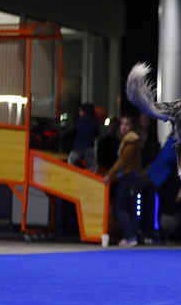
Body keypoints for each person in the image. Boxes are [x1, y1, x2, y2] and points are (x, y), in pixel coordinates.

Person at [102, 115, 142, 247]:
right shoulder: (131, 140)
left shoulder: (130, 140)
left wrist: (110, 174)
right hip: (132, 176)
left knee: (120, 208)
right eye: (122, 124)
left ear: (132, 127)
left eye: (127, 125)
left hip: (128, 177)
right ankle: (132, 235)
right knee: (131, 208)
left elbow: (122, 161)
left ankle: (130, 235)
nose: (123, 127)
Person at [136, 113, 161, 245]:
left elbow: (156, 154)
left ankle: (148, 230)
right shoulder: (135, 136)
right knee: (135, 203)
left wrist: (148, 169)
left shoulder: (152, 137)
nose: (144, 121)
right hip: (135, 172)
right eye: (142, 119)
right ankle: (137, 230)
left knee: (149, 203)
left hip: (149, 174)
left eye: (146, 119)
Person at [67, 102, 100, 172]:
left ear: (82, 112)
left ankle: (72, 172)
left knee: (71, 161)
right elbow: (97, 134)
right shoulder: (95, 123)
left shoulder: (79, 121)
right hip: (89, 146)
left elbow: (74, 130)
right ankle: (91, 175)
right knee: (91, 165)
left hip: (77, 146)